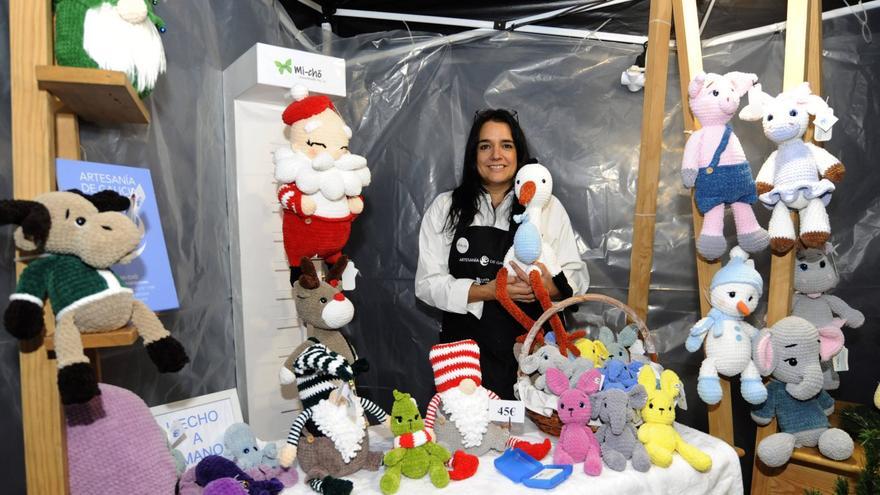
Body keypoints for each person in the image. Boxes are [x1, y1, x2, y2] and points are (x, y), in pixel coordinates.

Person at [415, 108, 590, 399]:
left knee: (530, 439)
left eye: (506, 145)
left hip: (530, 359)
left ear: (518, 154)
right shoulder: (446, 207)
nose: (496, 155)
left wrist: (551, 286)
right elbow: (427, 284)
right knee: (465, 434)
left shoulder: (547, 207)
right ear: (474, 155)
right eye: (486, 146)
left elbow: (576, 275)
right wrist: (490, 291)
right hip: (463, 359)